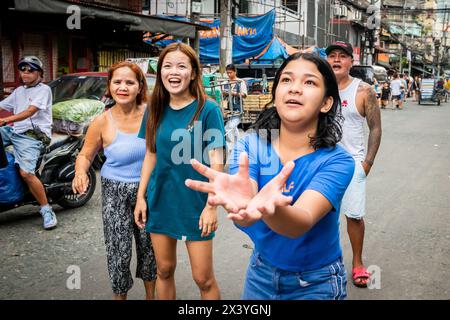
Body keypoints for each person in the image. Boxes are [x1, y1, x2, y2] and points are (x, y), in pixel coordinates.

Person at [186, 52, 355, 300]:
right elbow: (245, 217)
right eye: (286, 80)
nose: (295, 89)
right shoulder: (250, 145)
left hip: (316, 282)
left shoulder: (337, 161)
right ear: (275, 95)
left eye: (309, 82)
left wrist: (270, 209)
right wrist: (245, 206)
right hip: (261, 274)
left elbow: (302, 221)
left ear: (326, 103)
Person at [134, 42, 225, 300]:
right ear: (160, 71)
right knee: (164, 270)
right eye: (167, 66)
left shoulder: (208, 109)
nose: (174, 72)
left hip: (195, 203)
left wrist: (211, 205)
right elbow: (151, 154)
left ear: (193, 73)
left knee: (203, 278)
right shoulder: (154, 108)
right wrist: (141, 197)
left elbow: (217, 160)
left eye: (181, 66)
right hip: (160, 200)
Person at [72, 61, 157, 300]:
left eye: (129, 82)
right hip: (113, 193)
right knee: (118, 252)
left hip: (147, 191)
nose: (123, 87)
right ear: (109, 86)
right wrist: (80, 173)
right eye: (117, 82)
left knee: (149, 250)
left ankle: (151, 296)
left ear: (140, 86)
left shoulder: (153, 115)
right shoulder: (101, 121)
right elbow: (86, 155)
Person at [326, 41, 382, 288]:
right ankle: (321, 262)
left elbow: (376, 128)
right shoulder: (319, 87)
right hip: (322, 163)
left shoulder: (364, 91)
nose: (336, 60)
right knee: (318, 216)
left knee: (354, 216)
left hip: (352, 164)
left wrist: (367, 163)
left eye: (342, 56)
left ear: (351, 62)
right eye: (332, 56)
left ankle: (358, 263)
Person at [0, 56, 57, 230]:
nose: (25, 73)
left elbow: (30, 111)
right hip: (15, 131)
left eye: (30, 70)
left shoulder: (44, 90)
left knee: (26, 173)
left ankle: (46, 209)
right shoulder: (19, 91)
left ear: (39, 73)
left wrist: (6, 120)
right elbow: (2, 105)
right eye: (22, 69)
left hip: (33, 136)